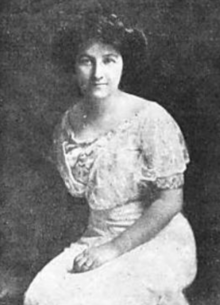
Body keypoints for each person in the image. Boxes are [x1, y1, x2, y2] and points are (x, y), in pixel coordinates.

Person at [24, 8, 197, 305]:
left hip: (157, 238)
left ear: (122, 63)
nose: (98, 73)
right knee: (40, 296)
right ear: (73, 66)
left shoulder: (150, 117)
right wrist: (98, 246)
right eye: (86, 61)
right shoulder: (68, 123)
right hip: (97, 235)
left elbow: (170, 201)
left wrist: (113, 250)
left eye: (109, 60)